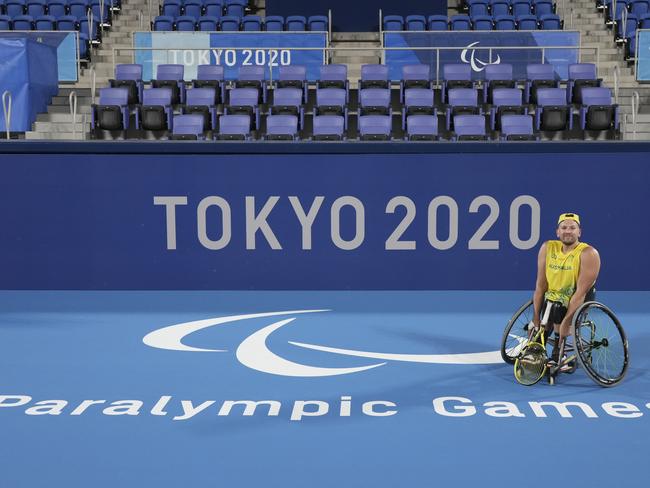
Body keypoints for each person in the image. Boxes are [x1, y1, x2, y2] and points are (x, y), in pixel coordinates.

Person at [531, 213, 601, 368]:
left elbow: (580, 294)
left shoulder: (589, 254)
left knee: (556, 308)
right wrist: (535, 316)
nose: (568, 231)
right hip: (553, 296)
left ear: (579, 232)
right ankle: (537, 344)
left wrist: (566, 322)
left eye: (572, 228)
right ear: (557, 232)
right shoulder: (547, 248)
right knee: (548, 307)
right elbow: (540, 286)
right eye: (564, 227)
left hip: (578, 298)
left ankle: (558, 350)